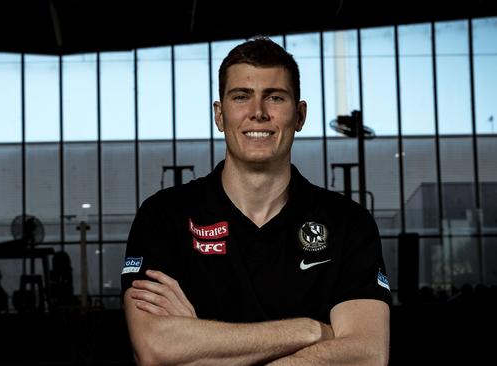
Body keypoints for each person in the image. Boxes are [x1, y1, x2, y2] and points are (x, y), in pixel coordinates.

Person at [121, 35, 392, 365]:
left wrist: (200, 343)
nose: (258, 113)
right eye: (241, 97)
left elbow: (366, 354)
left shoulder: (348, 223)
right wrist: (309, 331)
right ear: (219, 115)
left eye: (275, 97)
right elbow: (155, 348)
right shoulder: (164, 217)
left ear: (300, 114)